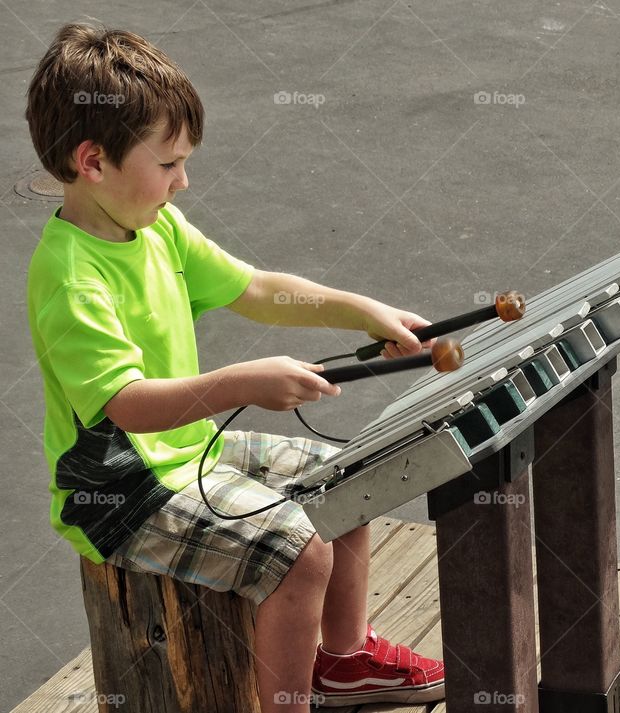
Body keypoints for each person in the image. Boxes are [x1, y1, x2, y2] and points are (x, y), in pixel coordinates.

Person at [24, 23, 444, 712]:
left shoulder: (154, 228)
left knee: (350, 478)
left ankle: (341, 662)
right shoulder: (70, 278)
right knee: (299, 550)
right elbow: (125, 403)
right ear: (93, 161)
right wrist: (243, 383)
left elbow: (254, 288)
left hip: (187, 454)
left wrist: (361, 311)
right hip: (119, 493)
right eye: (168, 164)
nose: (183, 180)